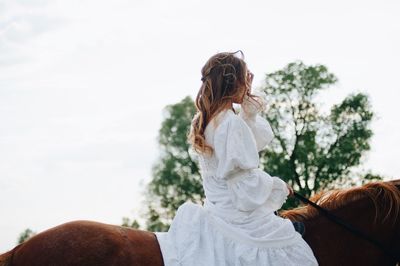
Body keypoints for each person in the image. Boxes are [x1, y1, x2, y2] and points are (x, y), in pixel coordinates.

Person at [154, 51, 318, 265]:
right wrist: (275, 185)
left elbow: (245, 147)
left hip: (218, 207)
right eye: (245, 79)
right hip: (239, 215)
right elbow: (243, 185)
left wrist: (249, 115)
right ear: (234, 83)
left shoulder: (205, 120)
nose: (249, 84)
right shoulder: (230, 124)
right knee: (296, 251)